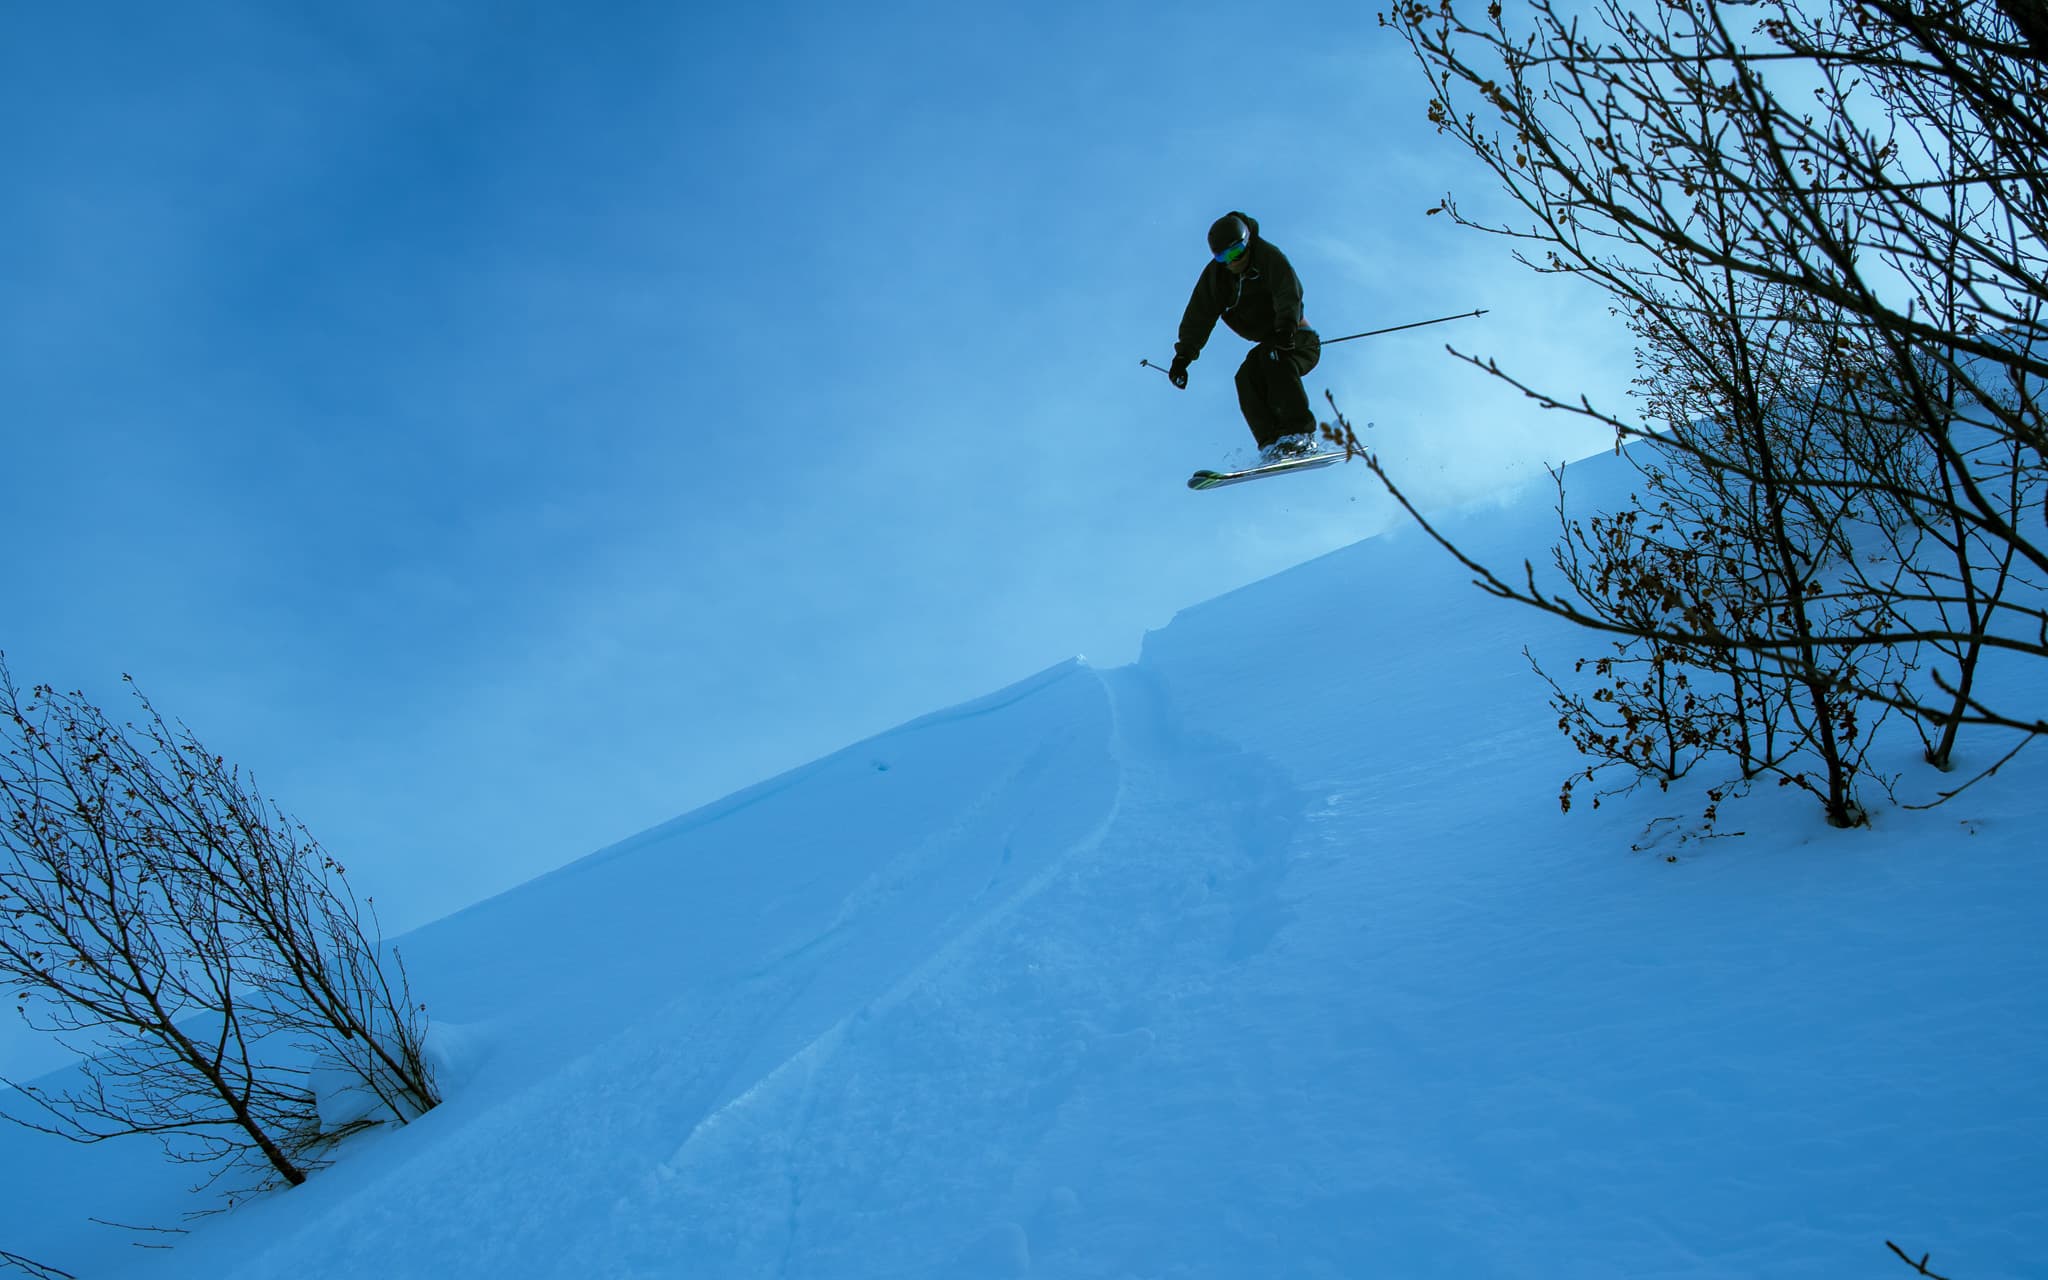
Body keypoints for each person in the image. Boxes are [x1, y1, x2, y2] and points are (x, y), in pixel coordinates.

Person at [1167, 212, 1323, 463]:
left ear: (1247, 242)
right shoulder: (1217, 278)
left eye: (1237, 251)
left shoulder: (1267, 256)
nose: (1233, 261)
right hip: (1270, 345)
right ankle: (1273, 443)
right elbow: (1199, 315)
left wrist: (1286, 328)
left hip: (1298, 338)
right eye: (1224, 257)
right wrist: (1183, 357)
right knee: (1245, 377)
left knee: (1273, 357)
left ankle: (1300, 434)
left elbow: (1288, 291)